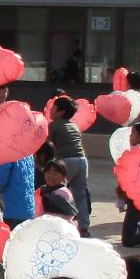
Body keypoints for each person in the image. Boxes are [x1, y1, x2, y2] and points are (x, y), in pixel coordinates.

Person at [47, 95, 91, 235]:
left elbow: (48, 145)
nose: (50, 110)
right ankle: (84, 227)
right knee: (80, 195)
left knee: (58, 192)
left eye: (53, 108)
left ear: (61, 112)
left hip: (66, 161)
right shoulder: (74, 125)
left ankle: (61, 223)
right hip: (82, 160)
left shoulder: (53, 125)